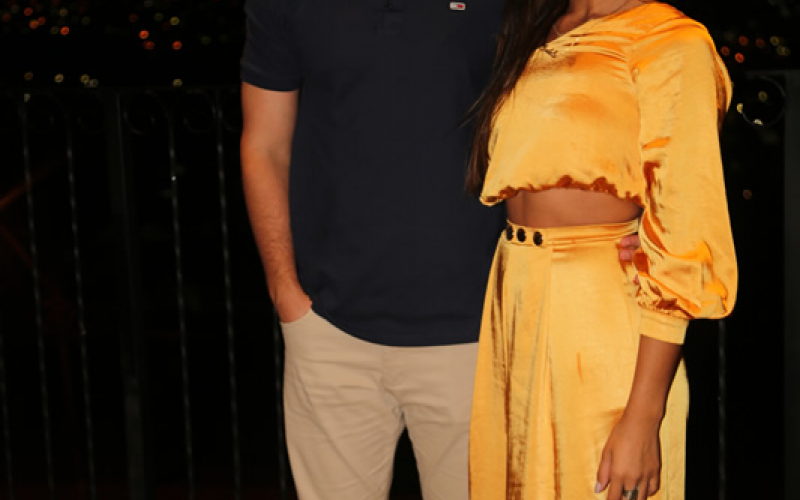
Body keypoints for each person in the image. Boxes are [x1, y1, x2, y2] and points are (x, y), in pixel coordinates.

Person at [238, 1, 640, 499]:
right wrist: (286, 294)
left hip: (479, 336)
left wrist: (630, 217)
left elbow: (589, 89)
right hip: (327, 336)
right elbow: (264, 145)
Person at [465, 0, 737, 499]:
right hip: (514, 293)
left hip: (597, 309)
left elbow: (686, 223)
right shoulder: (538, 27)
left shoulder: (671, 39)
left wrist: (644, 418)